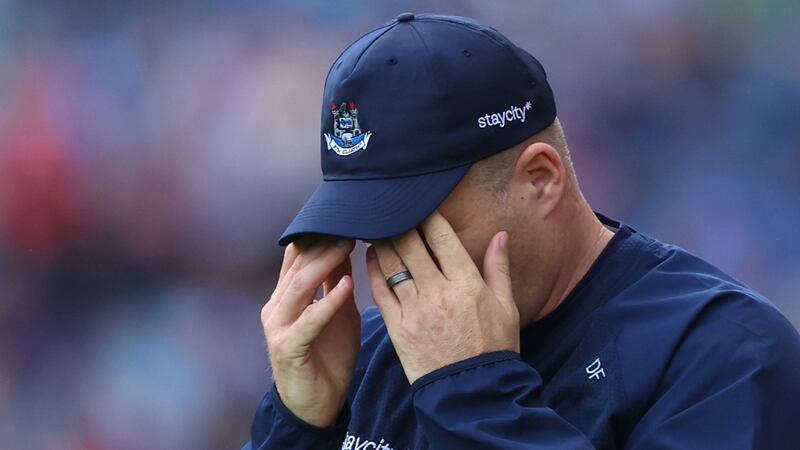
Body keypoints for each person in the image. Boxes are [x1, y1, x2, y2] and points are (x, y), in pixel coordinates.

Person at [245, 13, 800, 450]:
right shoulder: (363, 362)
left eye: (417, 225)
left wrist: (473, 395)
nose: (398, 268)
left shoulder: (725, 355)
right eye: (370, 233)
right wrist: (296, 427)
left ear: (540, 179)